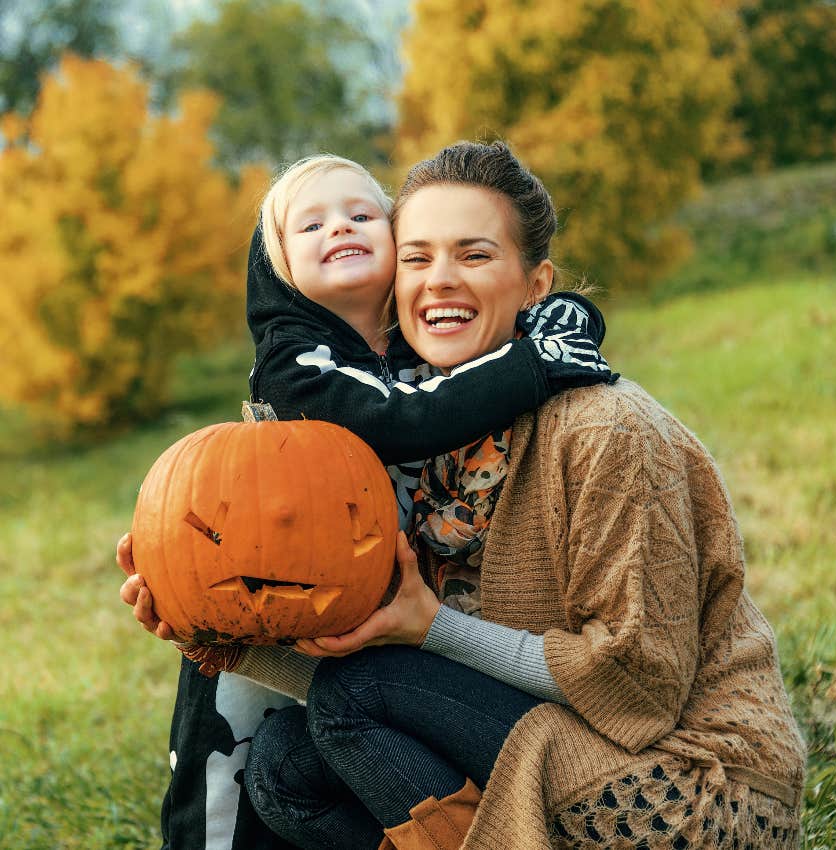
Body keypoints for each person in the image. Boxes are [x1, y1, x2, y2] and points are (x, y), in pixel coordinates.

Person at [224, 141, 805, 849]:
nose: (439, 281)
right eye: (417, 258)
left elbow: (637, 688)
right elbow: (433, 678)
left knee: (358, 696)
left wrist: (431, 627)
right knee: (285, 762)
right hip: (561, 734)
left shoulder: (606, 430)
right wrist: (226, 639)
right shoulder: (434, 439)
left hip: (686, 782)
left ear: (537, 285)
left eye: (474, 256)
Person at [118, 152, 616, 850]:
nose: (339, 228)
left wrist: (572, 318)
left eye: (361, 214)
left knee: (317, 753)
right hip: (264, 590)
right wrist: (536, 364)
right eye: (310, 224)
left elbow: (533, 312)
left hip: (375, 608)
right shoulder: (296, 363)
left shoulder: (420, 344)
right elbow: (400, 418)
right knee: (226, 765)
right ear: (277, 262)